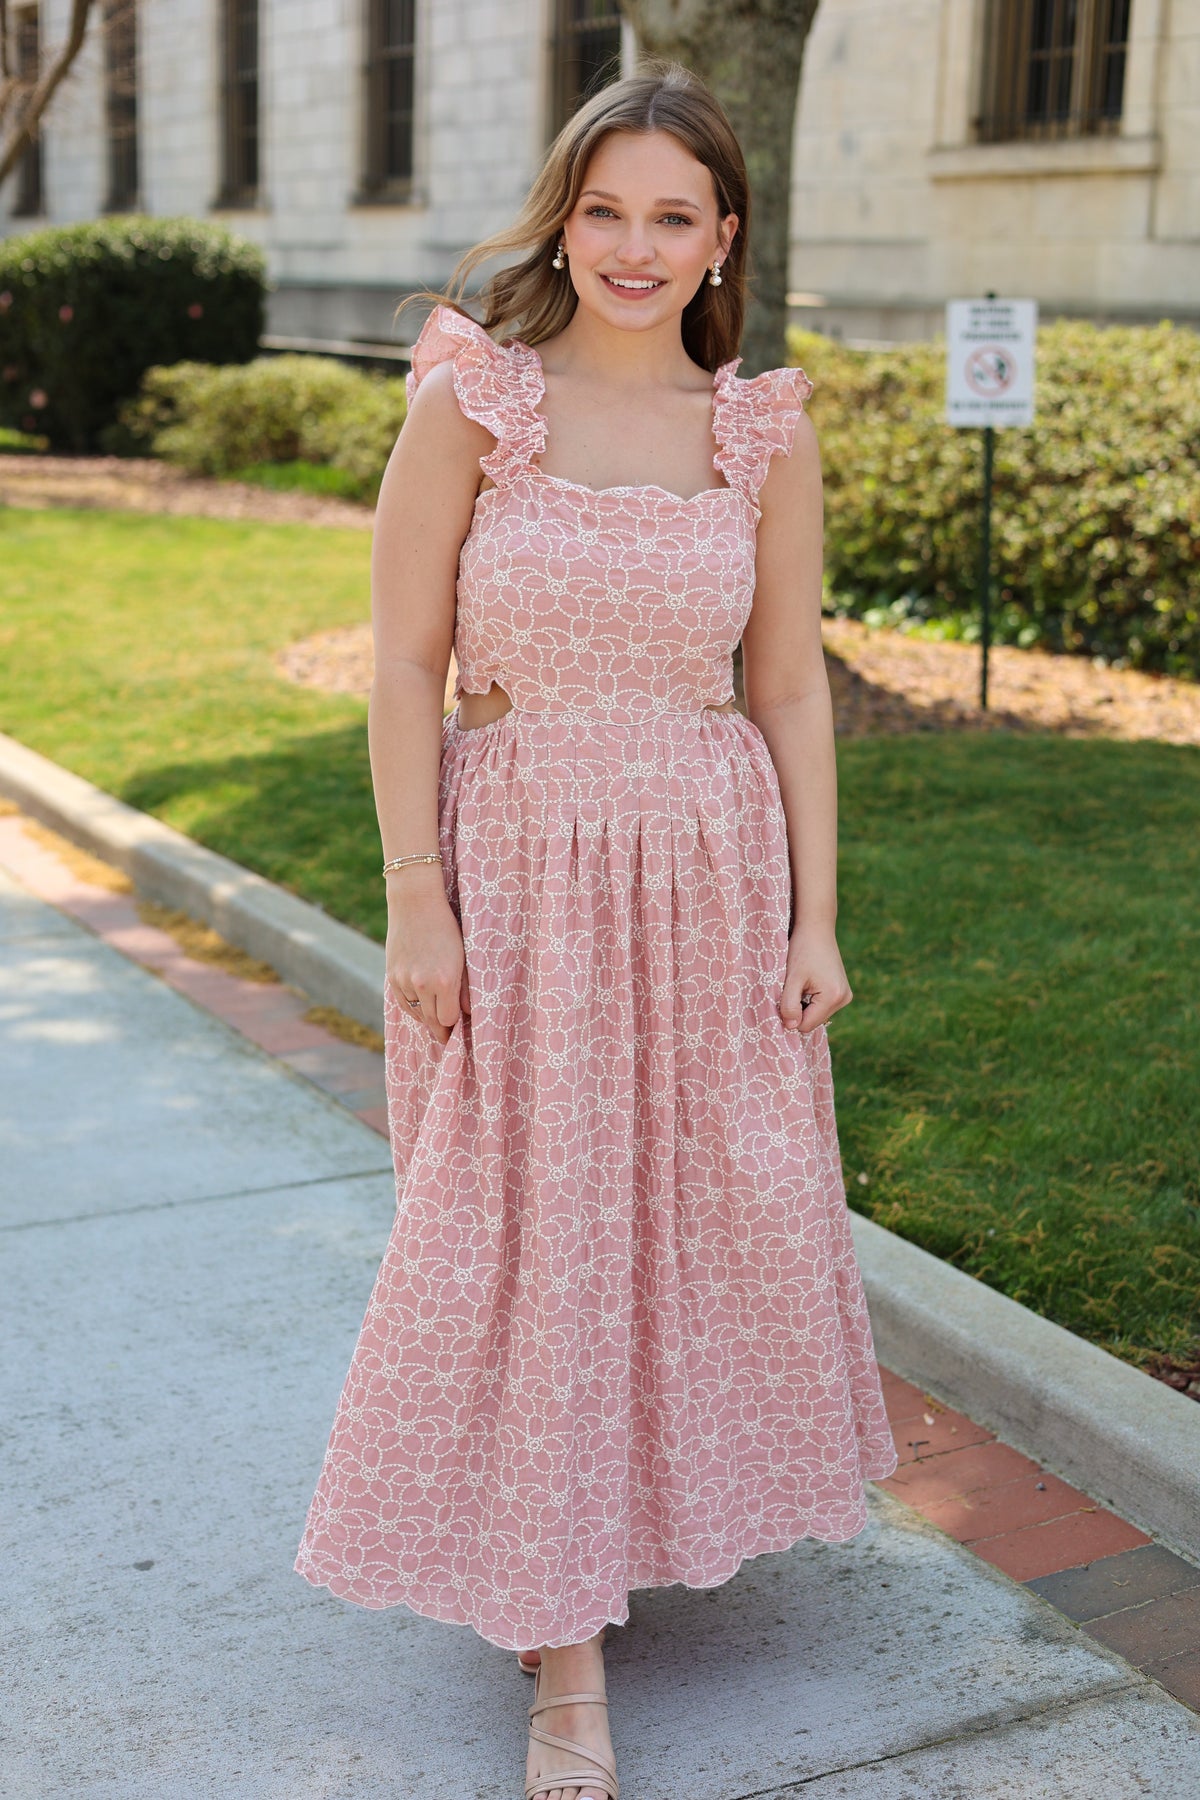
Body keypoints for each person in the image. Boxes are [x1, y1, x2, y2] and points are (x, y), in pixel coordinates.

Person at [295, 60, 899, 1800]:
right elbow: (405, 664)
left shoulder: (759, 429)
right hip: (524, 866)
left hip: (711, 871)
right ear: (569, 212)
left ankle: (640, 1513)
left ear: (724, 240)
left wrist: (815, 914)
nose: (635, 246)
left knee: (687, 1221)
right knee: (535, 1236)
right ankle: (563, 1661)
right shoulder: (473, 402)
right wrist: (418, 901)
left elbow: (785, 685)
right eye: (607, 207)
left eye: (675, 217)